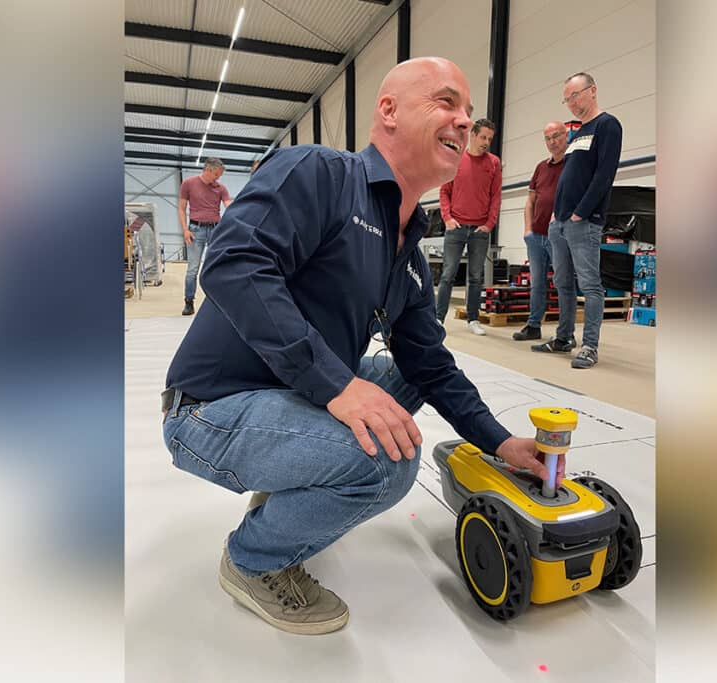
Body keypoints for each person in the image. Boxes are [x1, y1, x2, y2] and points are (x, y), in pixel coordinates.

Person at [160, 57, 562, 636]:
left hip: (283, 390)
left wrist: (498, 441)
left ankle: (292, 483)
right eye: (447, 102)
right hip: (210, 407)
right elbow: (232, 263)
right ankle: (253, 560)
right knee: (385, 462)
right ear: (389, 111)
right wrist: (339, 386)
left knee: (402, 381)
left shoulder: (408, 251)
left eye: (469, 112)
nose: (464, 120)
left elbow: (430, 365)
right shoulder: (319, 174)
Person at [532, 73, 622, 369]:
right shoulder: (578, 133)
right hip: (560, 222)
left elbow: (604, 175)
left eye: (574, 95)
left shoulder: (607, 125)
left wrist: (580, 212)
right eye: (566, 99)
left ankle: (590, 347)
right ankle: (563, 338)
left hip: (583, 221)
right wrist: (557, 215)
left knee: (590, 285)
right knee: (562, 283)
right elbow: (569, 176)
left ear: (592, 90)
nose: (570, 102)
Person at [434, 118, 502, 334]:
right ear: (472, 135)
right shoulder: (456, 158)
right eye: (483, 137)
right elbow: (444, 191)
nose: (486, 142)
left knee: (475, 277)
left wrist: (490, 224)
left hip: (480, 230)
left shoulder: (494, 163)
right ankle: (438, 319)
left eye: (489, 139)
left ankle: (473, 319)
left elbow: (496, 196)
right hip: (456, 227)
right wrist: (447, 218)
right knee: (448, 274)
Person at [512, 121, 569, 341]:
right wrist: (528, 230)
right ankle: (533, 325)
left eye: (556, 136)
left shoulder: (573, 164)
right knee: (537, 283)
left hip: (560, 236)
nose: (552, 142)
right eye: (548, 138)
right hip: (536, 236)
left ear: (566, 135)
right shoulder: (541, 167)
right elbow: (530, 201)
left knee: (563, 283)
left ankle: (564, 334)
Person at [178, 158, 232, 316]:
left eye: (219, 176)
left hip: (216, 230)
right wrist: (185, 230)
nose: (218, 178)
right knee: (192, 269)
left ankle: (215, 302)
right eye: (216, 175)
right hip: (195, 230)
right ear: (207, 170)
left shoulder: (221, 188)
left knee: (215, 268)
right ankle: (189, 302)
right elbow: (181, 208)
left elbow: (229, 206)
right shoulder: (188, 184)